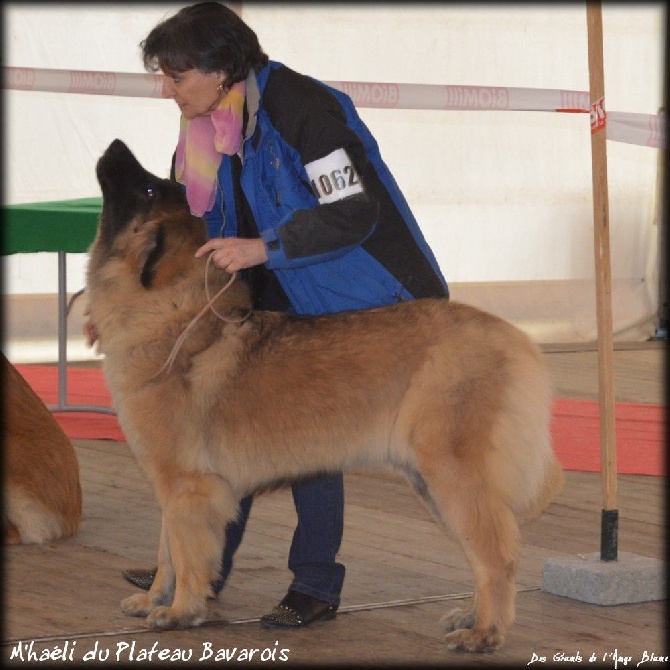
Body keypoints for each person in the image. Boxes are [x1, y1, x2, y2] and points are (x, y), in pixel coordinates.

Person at [117, 1, 449, 628]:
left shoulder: (305, 110)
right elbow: (190, 233)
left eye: (176, 75)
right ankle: (199, 573)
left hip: (364, 297)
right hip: (275, 291)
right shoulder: (205, 125)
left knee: (309, 441)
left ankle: (316, 584)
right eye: (162, 75)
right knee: (231, 428)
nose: (167, 89)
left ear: (220, 69)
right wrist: (124, 313)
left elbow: (354, 210)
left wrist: (265, 248)